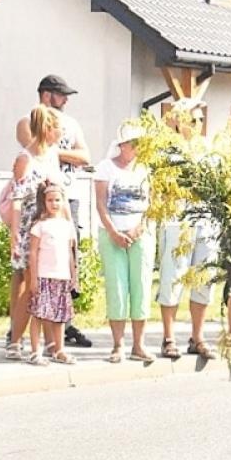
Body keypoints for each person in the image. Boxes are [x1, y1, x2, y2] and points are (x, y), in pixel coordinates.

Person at [16, 75, 93, 349]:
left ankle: (63, 324)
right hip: (37, 203)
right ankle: (20, 332)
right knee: (31, 270)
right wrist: (56, 151)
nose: (66, 100)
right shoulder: (28, 120)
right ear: (47, 95)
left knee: (65, 262)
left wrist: (56, 152)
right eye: (62, 95)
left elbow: (85, 156)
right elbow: (34, 147)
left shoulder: (70, 124)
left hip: (66, 198)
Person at [157, 99, 217, 359]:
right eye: (193, 119)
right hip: (178, 220)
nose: (198, 124)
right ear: (180, 121)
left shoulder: (209, 150)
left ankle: (197, 336)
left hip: (207, 221)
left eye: (201, 119)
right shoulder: (169, 151)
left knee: (203, 279)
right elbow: (163, 187)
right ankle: (168, 338)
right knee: (173, 277)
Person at [94, 120, 155, 364]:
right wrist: (113, 231)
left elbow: (153, 203)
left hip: (140, 232)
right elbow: (100, 203)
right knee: (117, 287)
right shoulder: (105, 168)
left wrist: (139, 228)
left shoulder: (146, 169)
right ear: (123, 145)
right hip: (112, 233)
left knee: (140, 285)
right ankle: (118, 344)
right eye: (133, 143)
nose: (137, 147)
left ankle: (138, 344)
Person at [7, 106, 64, 359]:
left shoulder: (52, 154)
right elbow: (17, 198)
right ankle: (16, 341)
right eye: (58, 127)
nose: (61, 132)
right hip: (30, 228)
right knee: (31, 285)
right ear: (47, 129)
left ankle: (52, 343)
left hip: (51, 227)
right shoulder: (24, 159)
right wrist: (15, 234)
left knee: (50, 283)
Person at [25, 181, 78, 366]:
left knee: (60, 315)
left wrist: (73, 276)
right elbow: (32, 252)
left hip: (62, 277)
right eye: (50, 200)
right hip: (43, 275)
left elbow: (70, 253)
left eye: (57, 200)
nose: (54, 203)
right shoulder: (40, 226)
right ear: (44, 202)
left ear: (63, 201)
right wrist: (33, 278)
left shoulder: (67, 226)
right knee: (39, 314)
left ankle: (59, 349)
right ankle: (35, 351)